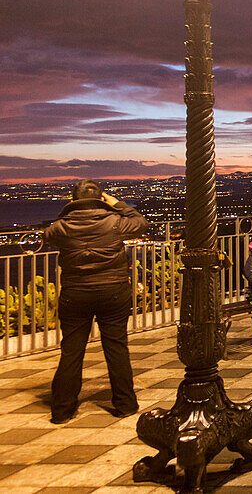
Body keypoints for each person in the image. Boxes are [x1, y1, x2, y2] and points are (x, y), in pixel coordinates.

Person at [45, 179, 148, 424]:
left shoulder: (62, 226)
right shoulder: (115, 221)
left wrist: (68, 210)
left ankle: (62, 409)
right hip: (113, 290)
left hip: (75, 293)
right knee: (116, 347)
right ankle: (125, 403)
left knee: (71, 350)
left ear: (74, 200)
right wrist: (118, 205)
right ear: (101, 199)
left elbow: (48, 235)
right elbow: (142, 224)